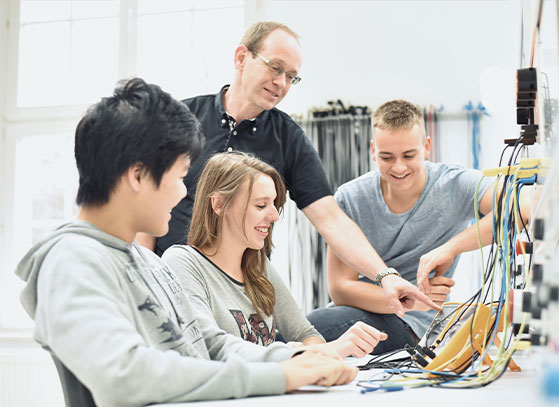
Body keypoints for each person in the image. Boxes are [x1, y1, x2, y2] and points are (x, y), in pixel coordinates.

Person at [15, 78, 356, 407]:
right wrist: (279, 376)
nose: (184, 192)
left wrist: (296, 358)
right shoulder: (72, 262)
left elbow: (209, 344)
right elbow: (126, 376)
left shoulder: (148, 262)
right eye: (180, 177)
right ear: (137, 176)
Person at [136, 21, 439, 316]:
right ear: (242, 57)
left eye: (291, 76)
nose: (281, 82)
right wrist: (146, 282)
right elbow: (146, 205)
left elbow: (331, 219)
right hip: (170, 286)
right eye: (275, 67)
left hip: (241, 298)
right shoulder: (181, 118)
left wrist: (385, 276)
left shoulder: (288, 138)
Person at [307, 99, 504, 354]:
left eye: (409, 155)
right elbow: (340, 289)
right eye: (387, 157)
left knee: (302, 335)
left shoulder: (455, 184)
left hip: (414, 326)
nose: (399, 167)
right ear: (373, 151)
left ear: (427, 147)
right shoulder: (351, 197)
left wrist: (450, 248)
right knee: (300, 332)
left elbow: (520, 207)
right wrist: (412, 301)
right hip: (357, 311)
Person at [162, 152, 388, 358]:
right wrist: (306, 352)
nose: (274, 216)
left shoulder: (258, 264)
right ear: (219, 204)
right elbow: (210, 345)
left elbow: (305, 333)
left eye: (274, 204)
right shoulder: (182, 262)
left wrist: (312, 351)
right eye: (261, 205)